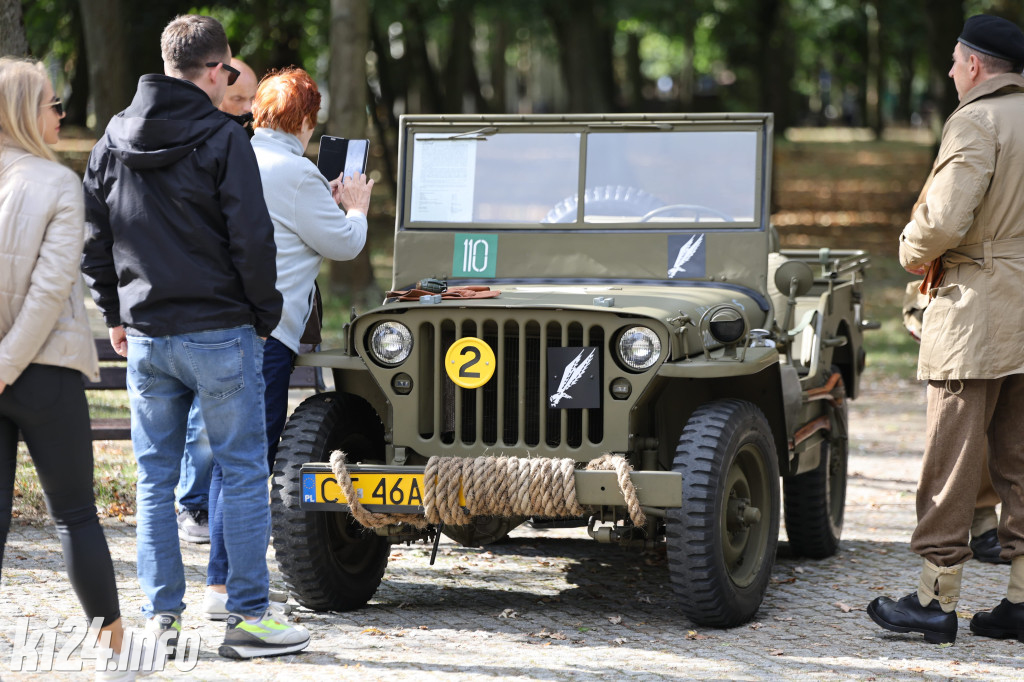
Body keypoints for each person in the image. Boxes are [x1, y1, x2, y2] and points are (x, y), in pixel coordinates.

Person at [80, 14, 309, 659]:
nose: (233, 79)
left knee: (154, 479)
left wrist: (115, 314)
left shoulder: (111, 139)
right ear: (215, 71)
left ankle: (164, 623)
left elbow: (94, 239)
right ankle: (248, 619)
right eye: (231, 70)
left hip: (150, 334)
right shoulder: (222, 137)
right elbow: (253, 239)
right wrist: (263, 315)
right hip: (220, 330)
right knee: (240, 472)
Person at [867, 14, 1024, 645]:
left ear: (977, 65)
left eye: (956, 62)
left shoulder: (976, 120)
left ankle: (935, 603)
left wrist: (909, 246)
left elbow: (943, 222)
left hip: (975, 312)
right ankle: (1019, 601)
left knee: (953, 460)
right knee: (1019, 461)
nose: (951, 71)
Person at [202, 65, 373, 619]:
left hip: (217, 327)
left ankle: (218, 581)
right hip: (267, 335)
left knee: (230, 458)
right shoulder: (296, 174)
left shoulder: (236, 154)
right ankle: (230, 587)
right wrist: (355, 206)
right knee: (251, 461)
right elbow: (344, 243)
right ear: (303, 120)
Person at [0, 57, 131, 680]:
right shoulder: (56, 185)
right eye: (53, 104)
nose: (61, 114)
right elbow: (51, 291)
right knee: (75, 514)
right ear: (28, 112)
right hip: (43, 371)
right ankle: (112, 651)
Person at [174, 57, 259, 546]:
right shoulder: (208, 141)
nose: (247, 111)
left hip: (224, 305)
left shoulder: (236, 140)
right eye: (238, 100)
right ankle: (195, 504)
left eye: (251, 101)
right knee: (203, 418)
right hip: (202, 306)